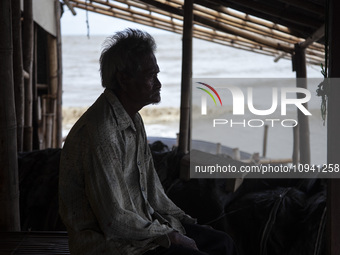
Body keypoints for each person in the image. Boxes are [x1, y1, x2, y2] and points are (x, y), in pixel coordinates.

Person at [59, 28, 236, 255]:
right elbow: (115, 220)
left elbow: (152, 193)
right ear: (124, 78)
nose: (159, 84)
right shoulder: (100, 133)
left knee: (222, 242)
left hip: (140, 234)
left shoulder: (134, 119)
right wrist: (171, 235)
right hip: (109, 245)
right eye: (151, 76)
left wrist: (183, 223)